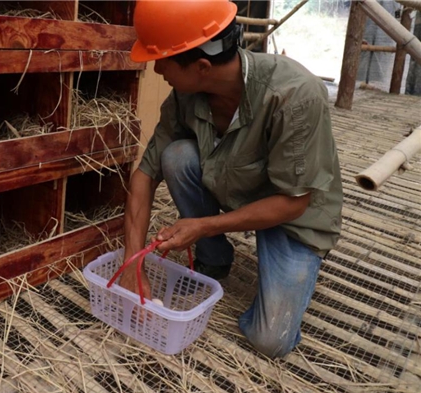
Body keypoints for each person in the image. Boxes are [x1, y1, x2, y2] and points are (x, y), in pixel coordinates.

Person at [118, 0, 343, 359]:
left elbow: (295, 202)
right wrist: (132, 264)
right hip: (239, 185)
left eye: (164, 59)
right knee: (176, 156)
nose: (156, 68)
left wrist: (203, 225)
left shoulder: (295, 94)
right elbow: (145, 175)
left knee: (271, 340)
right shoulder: (186, 93)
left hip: (293, 214)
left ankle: (276, 260)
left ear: (202, 67)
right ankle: (215, 258)